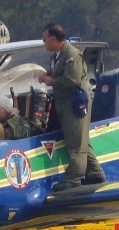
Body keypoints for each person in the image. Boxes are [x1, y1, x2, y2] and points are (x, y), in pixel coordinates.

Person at [37, 23, 105, 190]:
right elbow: (63, 73)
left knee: (75, 143)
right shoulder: (61, 55)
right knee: (81, 139)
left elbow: (72, 81)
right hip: (66, 104)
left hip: (75, 105)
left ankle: (74, 178)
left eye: (45, 39)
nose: (44, 42)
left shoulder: (72, 55)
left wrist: (51, 81)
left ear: (53, 39)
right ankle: (95, 173)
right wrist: (49, 74)